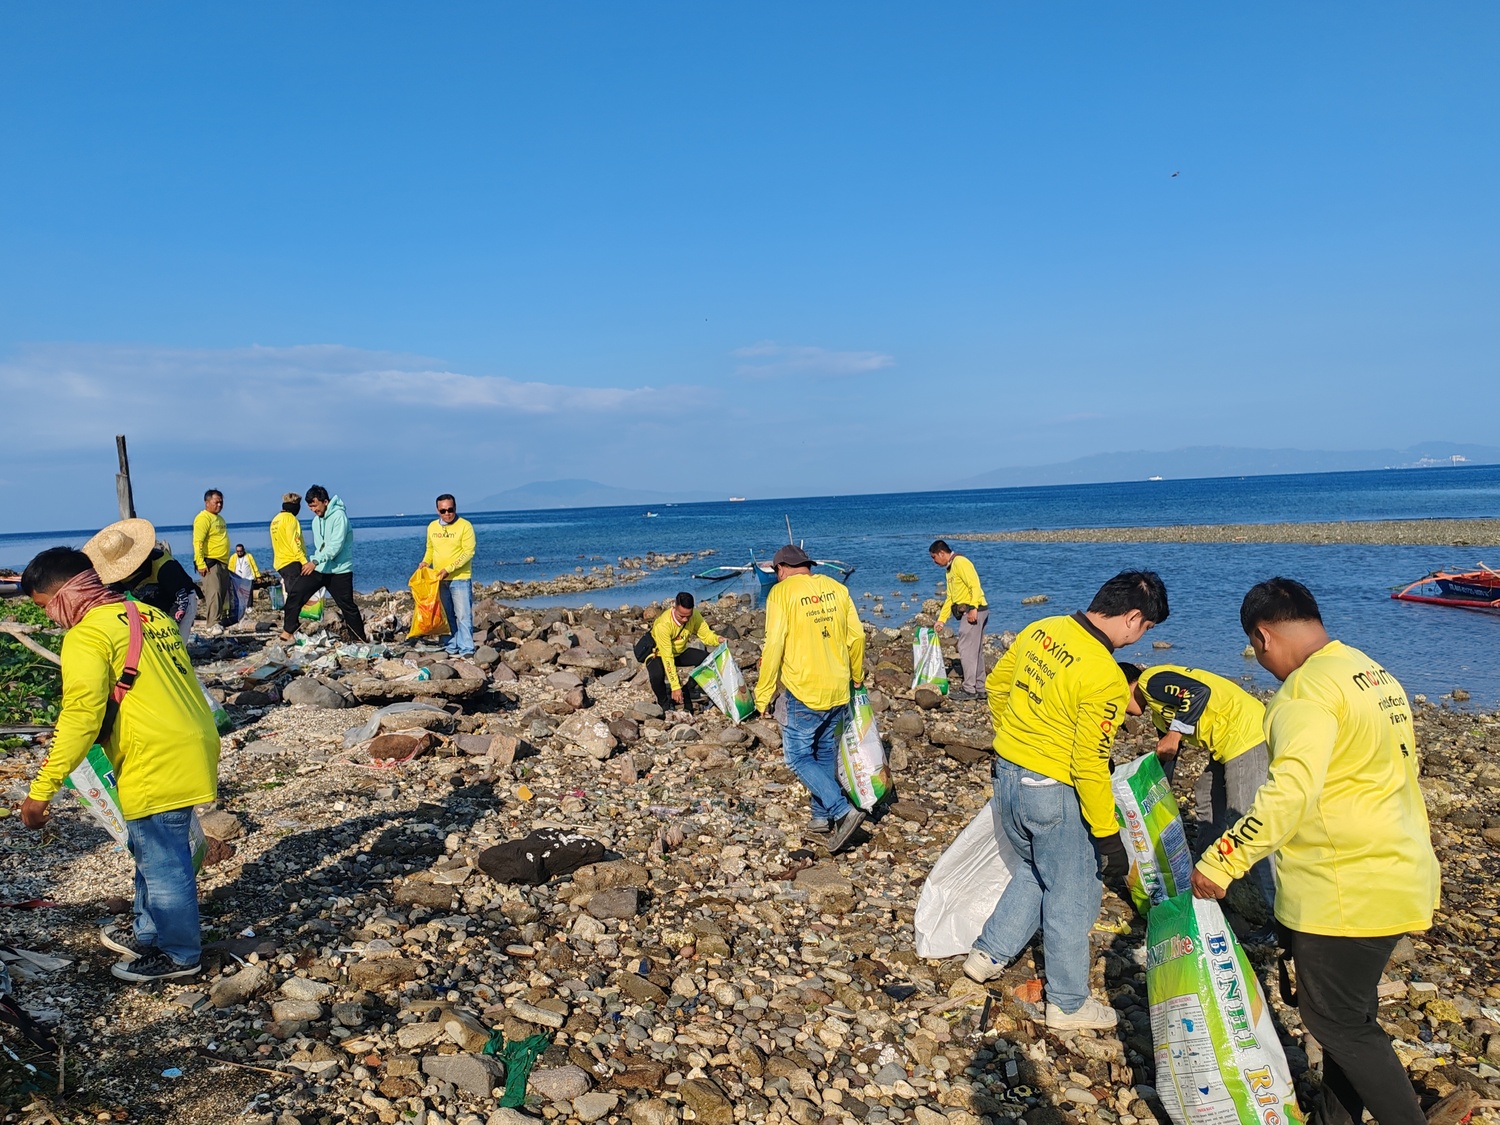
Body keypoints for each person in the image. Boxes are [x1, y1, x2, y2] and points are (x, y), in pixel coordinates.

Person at [1192, 579, 1438, 1125]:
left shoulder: (1304, 693)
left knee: (1337, 1025)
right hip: (1400, 867)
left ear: (1264, 635)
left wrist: (1220, 861)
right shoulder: (1373, 674)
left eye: (1257, 652)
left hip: (1344, 886)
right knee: (1351, 1016)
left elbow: (1287, 795)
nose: (1262, 664)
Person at [966, 571, 1169, 1033]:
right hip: (1052, 791)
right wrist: (1107, 836)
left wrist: (1018, 738)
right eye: (1146, 630)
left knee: (1039, 870)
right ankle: (1068, 1003)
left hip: (1008, 779)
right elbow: (1090, 765)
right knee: (1073, 893)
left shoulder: (1044, 628)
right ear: (1133, 618)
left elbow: (998, 685)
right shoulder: (1104, 674)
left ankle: (986, 954)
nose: (1140, 640)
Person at [18, 547, 219, 983]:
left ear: (66, 593)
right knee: (151, 846)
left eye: (46, 606)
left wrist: (42, 789)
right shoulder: (149, 613)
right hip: (192, 740)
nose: (52, 618)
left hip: (153, 753)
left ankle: (180, 955)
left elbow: (80, 716)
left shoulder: (87, 635)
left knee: (164, 858)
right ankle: (150, 935)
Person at [1118, 661, 1276, 921]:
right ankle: (1204, 886)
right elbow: (1168, 754)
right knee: (1206, 799)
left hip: (1247, 735)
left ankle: (1276, 918)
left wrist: (1175, 734)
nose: (1122, 712)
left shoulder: (1150, 681)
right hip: (1225, 745)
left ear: (1126, 685)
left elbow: (1198, 692)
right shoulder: (1158, 713)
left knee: (1247, 824)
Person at [754, 545, 867, 854]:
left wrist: (763, 694)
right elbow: (856, 636)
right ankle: (820, 817)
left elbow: (774, 643)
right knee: (824, 752)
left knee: (798, 757)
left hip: (803, 689)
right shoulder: (836, 587)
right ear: (807, 565)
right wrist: (857, 674)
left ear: (780, 570)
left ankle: (842, 811)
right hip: (837, 687)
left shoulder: (781, 593)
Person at [83, 520, 200, 645]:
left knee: (175, 644)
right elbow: (113, 598)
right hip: (148, 602)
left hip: (180, 599)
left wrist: (168, 628)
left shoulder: (164, 567)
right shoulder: (116, 579)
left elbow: (181, 602)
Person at [282, 485, 366, 642]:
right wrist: (314, 561)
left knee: (347, 606)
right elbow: (321, 546)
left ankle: (359, 640)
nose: (313, 509)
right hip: (320, 568)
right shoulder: (316, 521)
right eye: (310, 506)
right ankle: (289, 629)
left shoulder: (339, 517)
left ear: (325, 501)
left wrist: (314, 561)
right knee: (296, 592)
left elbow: (335, 545)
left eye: (315, 505)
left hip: (339, 570)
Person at [929, 540, 988, 698]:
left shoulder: (960, 562)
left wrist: (973, 607)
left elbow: (974, 584)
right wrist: (942, 620)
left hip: (973, 610)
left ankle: (969, 689)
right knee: (975, 650)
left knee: (966, 648)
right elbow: (951, 598)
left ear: (942, 553)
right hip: (971, 609)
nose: (934, 561)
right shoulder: (950, 569)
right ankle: (980, 688)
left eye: (934, 557)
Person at [419, 494, 477, 656]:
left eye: (450, 510)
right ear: (438, 510)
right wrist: (425, 563)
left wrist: (449, 569)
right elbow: (430, 550)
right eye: (443, 510)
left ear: (455, 508)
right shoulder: (432, 527)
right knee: (446, 614)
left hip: (460, 578)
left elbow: (468, 552)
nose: (447, 513)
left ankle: (467, 649)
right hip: (439, 579)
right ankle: (451, 646)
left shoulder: (465, 526)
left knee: (463, 615)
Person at [644, 592, 720, 711]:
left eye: (688, 616)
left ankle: (687, 689)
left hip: (679, 651)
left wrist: (718, 639)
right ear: (674, 607)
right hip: (658, 653)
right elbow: (667, 657)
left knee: (707, 659)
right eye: (681, 616)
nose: (685, 619)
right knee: (656, 675)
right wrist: (675, 686)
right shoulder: (663, 625)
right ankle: (664, 703)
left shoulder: (694, 615)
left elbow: (706, 635)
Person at [192, 489, 232, 635]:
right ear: (207, 502)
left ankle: (218, 620)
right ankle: (211, 624)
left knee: (221, 593)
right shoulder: (203, 518)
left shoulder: (220, 519)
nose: (219, 505)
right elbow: (198, 542)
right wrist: (200, 562)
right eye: (216, 502)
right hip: (210, 562)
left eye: (221, 502)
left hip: (222, 561)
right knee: (213, 592)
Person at [270, 492, 308, 609]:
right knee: (295, 595)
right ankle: (291, 623)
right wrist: (304, 561)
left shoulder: (275, 520)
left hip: (280, 563)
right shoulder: (291, 519)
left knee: (290, 593)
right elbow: (295, 542)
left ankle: (291, 620)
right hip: (292, 561)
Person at [227, 543, 260, 621]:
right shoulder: (233, 557)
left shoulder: (249, 556)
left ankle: (249, 606)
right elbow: (230, 568)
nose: (239, 553)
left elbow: (254, 566)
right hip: (237, 579)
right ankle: (240, 607)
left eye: (241, 551)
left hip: (248, 577)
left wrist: (258, 576)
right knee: (238, 593)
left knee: (249, 593)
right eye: (237, 551)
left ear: (243, 550)